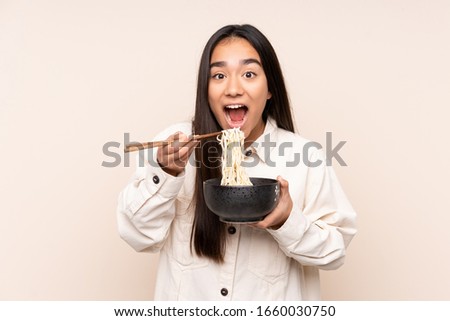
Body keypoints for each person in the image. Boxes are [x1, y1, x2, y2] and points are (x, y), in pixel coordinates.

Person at [117, 24, 357, 300]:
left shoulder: (307, 158)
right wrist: (166, 172)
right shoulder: (174, 144)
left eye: (249, 74)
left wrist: (287, 222)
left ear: (269, 89)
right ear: (205, 89)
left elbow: (335, 253)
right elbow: (137, 235)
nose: (233, 88)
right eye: (219, 75)